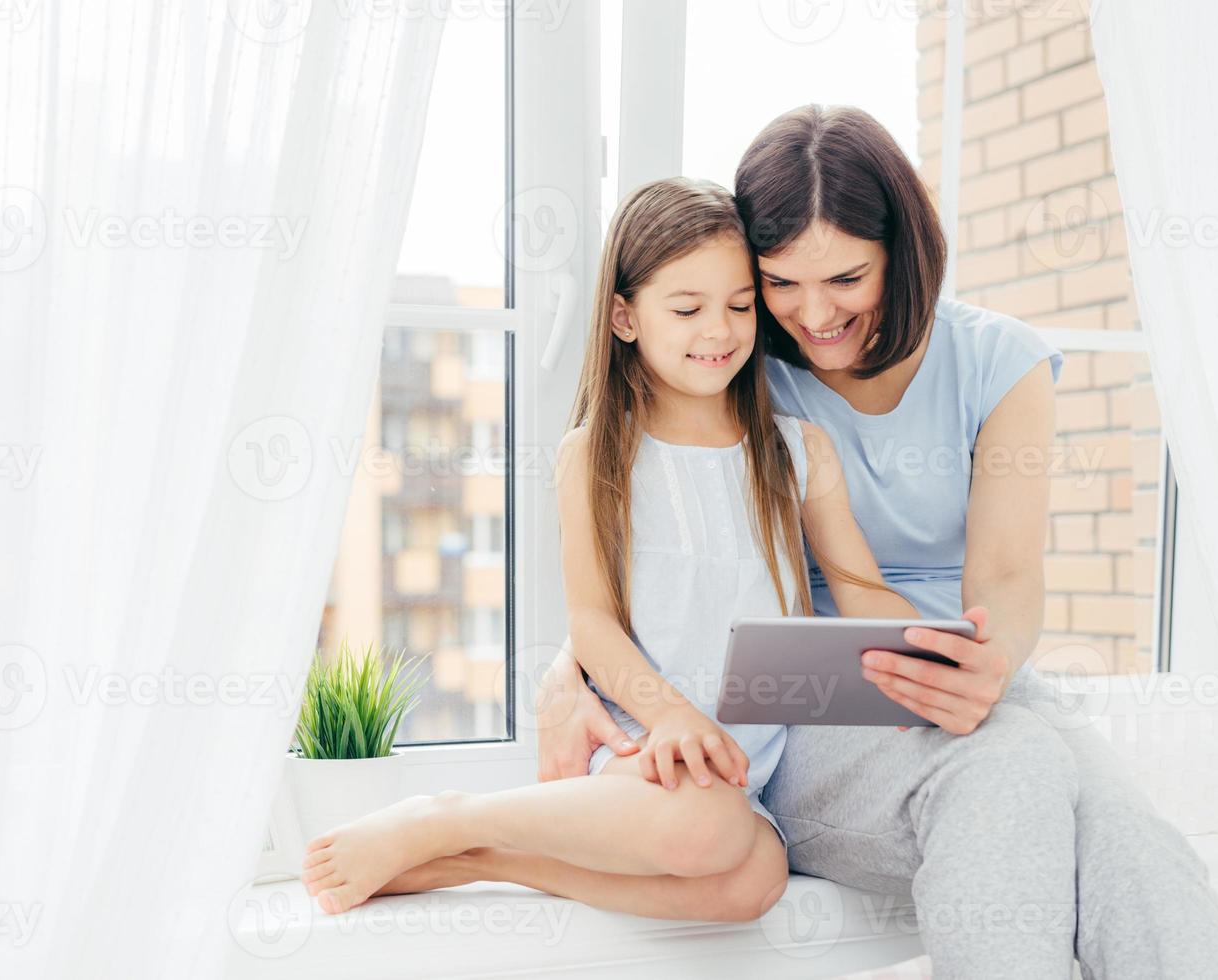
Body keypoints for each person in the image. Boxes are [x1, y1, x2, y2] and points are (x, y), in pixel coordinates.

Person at [534, 106, 1218, 978]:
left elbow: (1010, 576)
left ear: (901, 255)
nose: (813, 314)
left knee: (1129, 835)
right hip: (804, 704)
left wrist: (988, 661)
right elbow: (659, 539)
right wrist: (571, 671)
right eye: (781, 284)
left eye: (845, 278)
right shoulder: (741, 357)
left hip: (956, 664)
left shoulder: (999, 361)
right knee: (1008, 767)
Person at [300, 176, 917, 921]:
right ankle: (449, 815)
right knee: (708, 827)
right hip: (641, 741)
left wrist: (930, 650)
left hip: (744, 761)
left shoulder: (798, 449)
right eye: (687, 309)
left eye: (739, 305)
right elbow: (592, 623)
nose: (718, 331)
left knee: (753, 884)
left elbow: (861, 590)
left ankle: (475, 861)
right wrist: (668, 718)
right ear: (625, 317)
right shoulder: (594, 454)